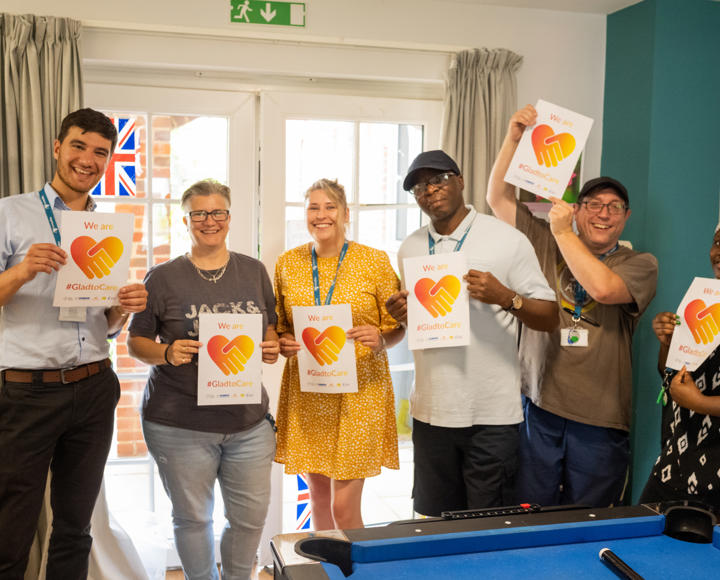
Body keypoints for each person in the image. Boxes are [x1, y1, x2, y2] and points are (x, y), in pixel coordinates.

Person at [0, 108, 148, 580]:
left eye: (100, 152)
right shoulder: (9, 212)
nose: (88, 159)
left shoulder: (104, 231)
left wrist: (122, 307)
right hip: (26, 393)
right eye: (79, 146)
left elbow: (102, 325)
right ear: (58, 147)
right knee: (10, 529)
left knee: (75, 528)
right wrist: (22, 271)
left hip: (93, 387)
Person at [486, 104, 658, 507]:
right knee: (534, 514)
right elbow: (497, 198)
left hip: (600, 417)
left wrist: (563, 230)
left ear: (626, 217)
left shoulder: (639, 263)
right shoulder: (546, 241)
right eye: (594, 204)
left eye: (614, 207)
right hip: (540, 404)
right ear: (578, 209)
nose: (603, 214)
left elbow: (601, 289)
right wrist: (513, 139)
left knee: (589, 520)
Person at [385, 150, 558, 517]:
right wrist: (402, 315)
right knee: (434, 523)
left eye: (437, 180)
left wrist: (506, 297)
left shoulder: (506, 240)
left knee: (487, 525)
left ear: (460, 180)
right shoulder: (411, 246)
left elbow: (549, 316)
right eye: (417, 187)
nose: (428, 191)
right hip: (431, 410)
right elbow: (419, 320)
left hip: (491, 414)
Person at [127, 179, 279, 580]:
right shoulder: (161, 278)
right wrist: (166, 352)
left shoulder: (254, 271)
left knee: (248, 520)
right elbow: (134, 342)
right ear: (185, 219)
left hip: (247, 423)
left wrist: (270, 345)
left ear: (229, 218)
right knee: (193, 519)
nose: (209, 221)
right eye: (199, 213)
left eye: (218, 212)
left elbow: (269, 327)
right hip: (179, 422)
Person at [274, 178, 405, 530]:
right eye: (313, 208)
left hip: (359, 394)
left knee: (344, 509)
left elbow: (398, 326)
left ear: (346, 214)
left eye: (329, 207)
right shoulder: (288, 264)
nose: (321, 215)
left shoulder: (375, 262)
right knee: (317, 499)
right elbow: (282, 326)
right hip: (309, 392)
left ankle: (354, 572)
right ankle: (325, 570)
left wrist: (381, 339)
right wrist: (285, 342)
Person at [639, 226, 720, 512]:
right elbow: (671, 376)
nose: (718, 251)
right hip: (672, 469)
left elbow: (694, 395)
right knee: (639, 550)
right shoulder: (705, 302)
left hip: (715, 485)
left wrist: (700, 403)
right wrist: (668, 344)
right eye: (717, 242)